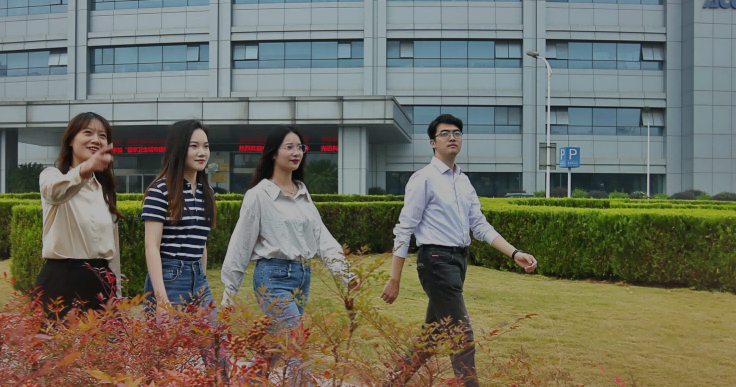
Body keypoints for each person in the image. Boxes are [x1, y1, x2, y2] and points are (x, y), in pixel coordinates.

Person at [380, 113, 539, 387]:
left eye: (456, 133)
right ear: (433, 142)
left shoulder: (463, 181)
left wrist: (515, 253)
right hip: (436, 261)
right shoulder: (423, 179)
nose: (452, 137)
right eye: (444, 133)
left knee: (432, 337)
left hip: (458, 262)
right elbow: (404, 229)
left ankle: (391, 383)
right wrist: (395, 279)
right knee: (462, 335)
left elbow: (480, 225)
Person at [220, 125, 357, 382]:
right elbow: (240, 244)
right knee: (296, 342)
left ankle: (249, 381)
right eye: (289, 147)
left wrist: (345, 274)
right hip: (272, 278)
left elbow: (321, 237)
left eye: (300, 147)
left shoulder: (303, 193)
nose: (297, 153)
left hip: (302, 278)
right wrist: (229, 292)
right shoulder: (258, 195)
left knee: (276, 346)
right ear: (273, 153)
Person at [36, 112, 122, 320]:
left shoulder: (104, 189)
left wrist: (117, 292)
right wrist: (84, 170)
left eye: (102, 136)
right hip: (62, 281)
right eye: (88, 133)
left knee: (108, 340)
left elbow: (113, 251)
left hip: (101, 282)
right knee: (58, 340)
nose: (96, 140)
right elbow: (55, 193)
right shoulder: (52, 176)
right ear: (71, 140)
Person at [142, 119, 217, 314]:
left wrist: (202, 278)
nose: (202, 153)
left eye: (206, 146)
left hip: (199, 279)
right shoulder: (160, 191)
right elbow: (151, 247)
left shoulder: (207, 192)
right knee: (171, 335)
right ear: (179, 148)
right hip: (169, 278)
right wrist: (161, 300)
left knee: (215, 332)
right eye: (194, 146)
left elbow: (201, 245)